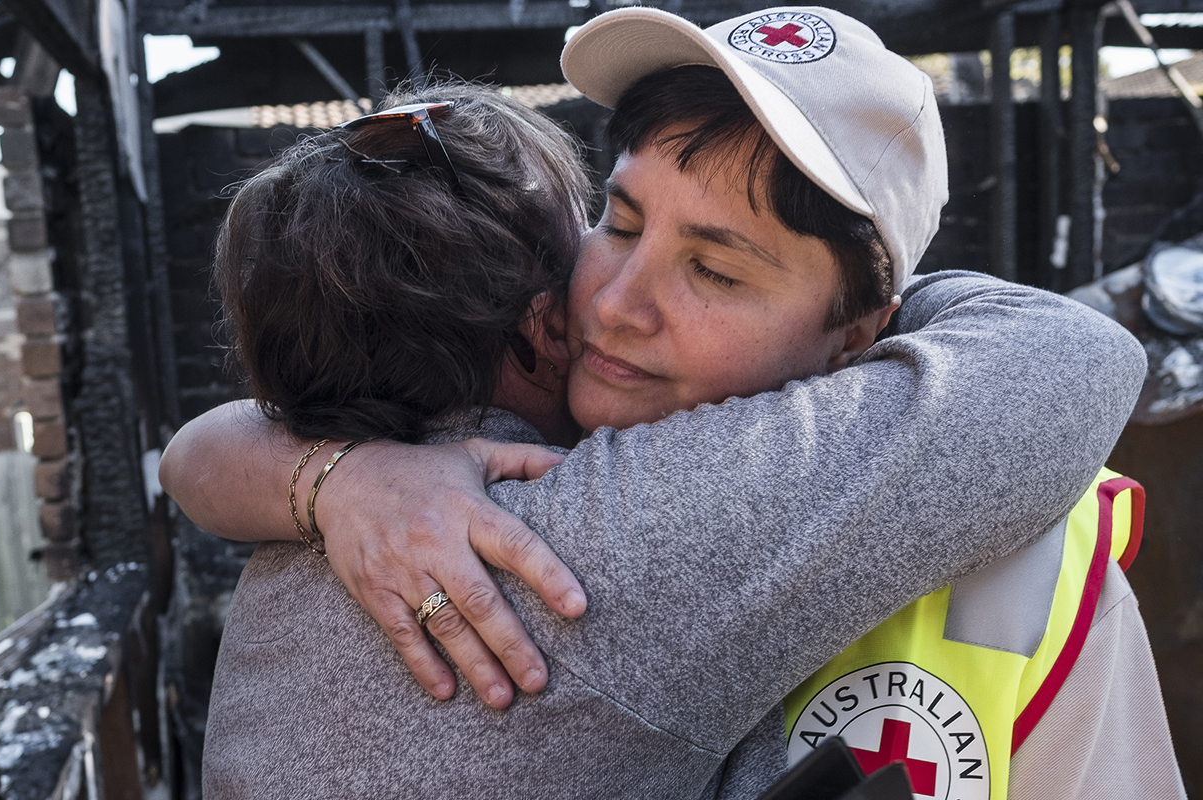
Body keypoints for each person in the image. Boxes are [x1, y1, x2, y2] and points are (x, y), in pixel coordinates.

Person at [162, 9, 1168, 798]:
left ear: (861, 333)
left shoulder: (1023, 558)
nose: (615, 301)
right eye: (618, 219)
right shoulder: (526, 504)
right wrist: (333, 474)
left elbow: (1071, 360)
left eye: (716, 272)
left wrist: (324, 473)